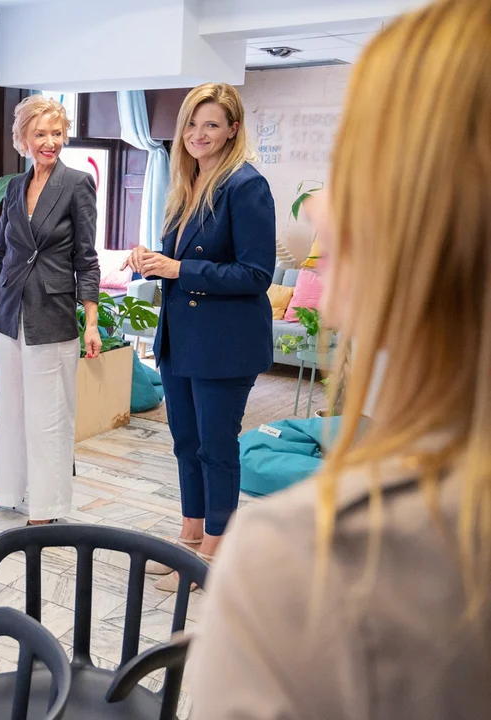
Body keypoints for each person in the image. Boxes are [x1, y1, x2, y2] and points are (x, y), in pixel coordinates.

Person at [187, 1, 491, 717]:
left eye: (357, 164)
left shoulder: (307, 565)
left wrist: (178, 271)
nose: (319, 209)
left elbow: (252, 274)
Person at [123, 83, 275, 589]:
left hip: (224, 345)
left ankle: (216, 549)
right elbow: (181, 264)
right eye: (191, 124)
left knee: (215, 446)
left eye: (211, 124)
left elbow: (256, 274)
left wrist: (179, 267)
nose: (197, 134)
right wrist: (152, 263)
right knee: (185, 443)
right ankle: (190, 537)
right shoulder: (187, 185)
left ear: (233, 129)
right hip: (180, 341)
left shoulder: (246, 185)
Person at [0, 95, 102, 525]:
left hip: (52, 314)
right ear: (23, 138)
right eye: (40, 134)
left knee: (49, 416)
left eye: (57, 133)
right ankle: (1, 489)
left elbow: (86, 258)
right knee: (9, 408)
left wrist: (91, 320)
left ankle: (46, 506)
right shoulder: (15, 188)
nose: (50, 142)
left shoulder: (78, 185)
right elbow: (1, 255)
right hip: (8, 312)